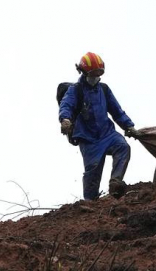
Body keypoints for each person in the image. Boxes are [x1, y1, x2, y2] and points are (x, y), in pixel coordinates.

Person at [59, 52, 139, 200]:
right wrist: (65, 119)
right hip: (88, 140)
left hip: (108, 134)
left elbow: (117, 111)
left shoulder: (104, 89)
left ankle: (115, 183)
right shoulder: (75, 90)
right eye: (93, 73)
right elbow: (66, 105)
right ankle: (91, 204)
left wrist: (129, 126)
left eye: (99, 73)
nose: (96, 77)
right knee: (93, 174)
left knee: (123, 147)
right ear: (84, 73)